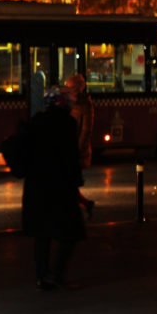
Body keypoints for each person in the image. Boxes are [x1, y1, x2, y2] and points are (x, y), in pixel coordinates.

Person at [22, 86, 85, 291]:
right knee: (71, 232)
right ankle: (57, 274)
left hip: (37, 188)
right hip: (59, 189)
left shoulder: (37, 120)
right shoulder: (67, 124)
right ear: (63, 102)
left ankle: (42, 276)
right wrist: (77, 185)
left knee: (42, 235)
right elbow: (71, 159)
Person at [66, 73, 96, 218]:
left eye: (71, 88)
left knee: (68, 186)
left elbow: (86, 132)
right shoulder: (70, 104)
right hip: (70, 152)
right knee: (69, 186)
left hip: (77, 154)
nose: (69, 91)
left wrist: (77, 152)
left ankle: (76, 212)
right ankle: (86, 204)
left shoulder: (85, 106)